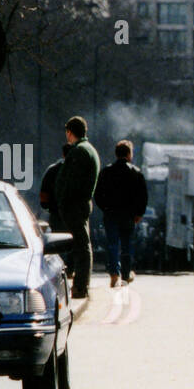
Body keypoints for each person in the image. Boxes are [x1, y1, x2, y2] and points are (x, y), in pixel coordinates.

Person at [54, 116, 100, 299]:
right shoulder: (88, 150)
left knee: (81, 247)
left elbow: (71, 181)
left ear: (70, 132)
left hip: (74, 205)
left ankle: (80, 286)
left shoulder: (79, 152)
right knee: (82, 245)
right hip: (80, 204)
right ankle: (80, 285)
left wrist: (63, 201)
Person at [94, 140, 148, 286]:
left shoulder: (106, 171)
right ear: (129, 154)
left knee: (112, 244)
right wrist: (139, 213)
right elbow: (143, 196)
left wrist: (105, 208)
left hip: (111, 214)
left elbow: (97, 194)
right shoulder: (136, 173)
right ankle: (125, 274)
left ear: (116, 154)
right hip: (128, 215)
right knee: (126, 244)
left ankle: (113, 273)